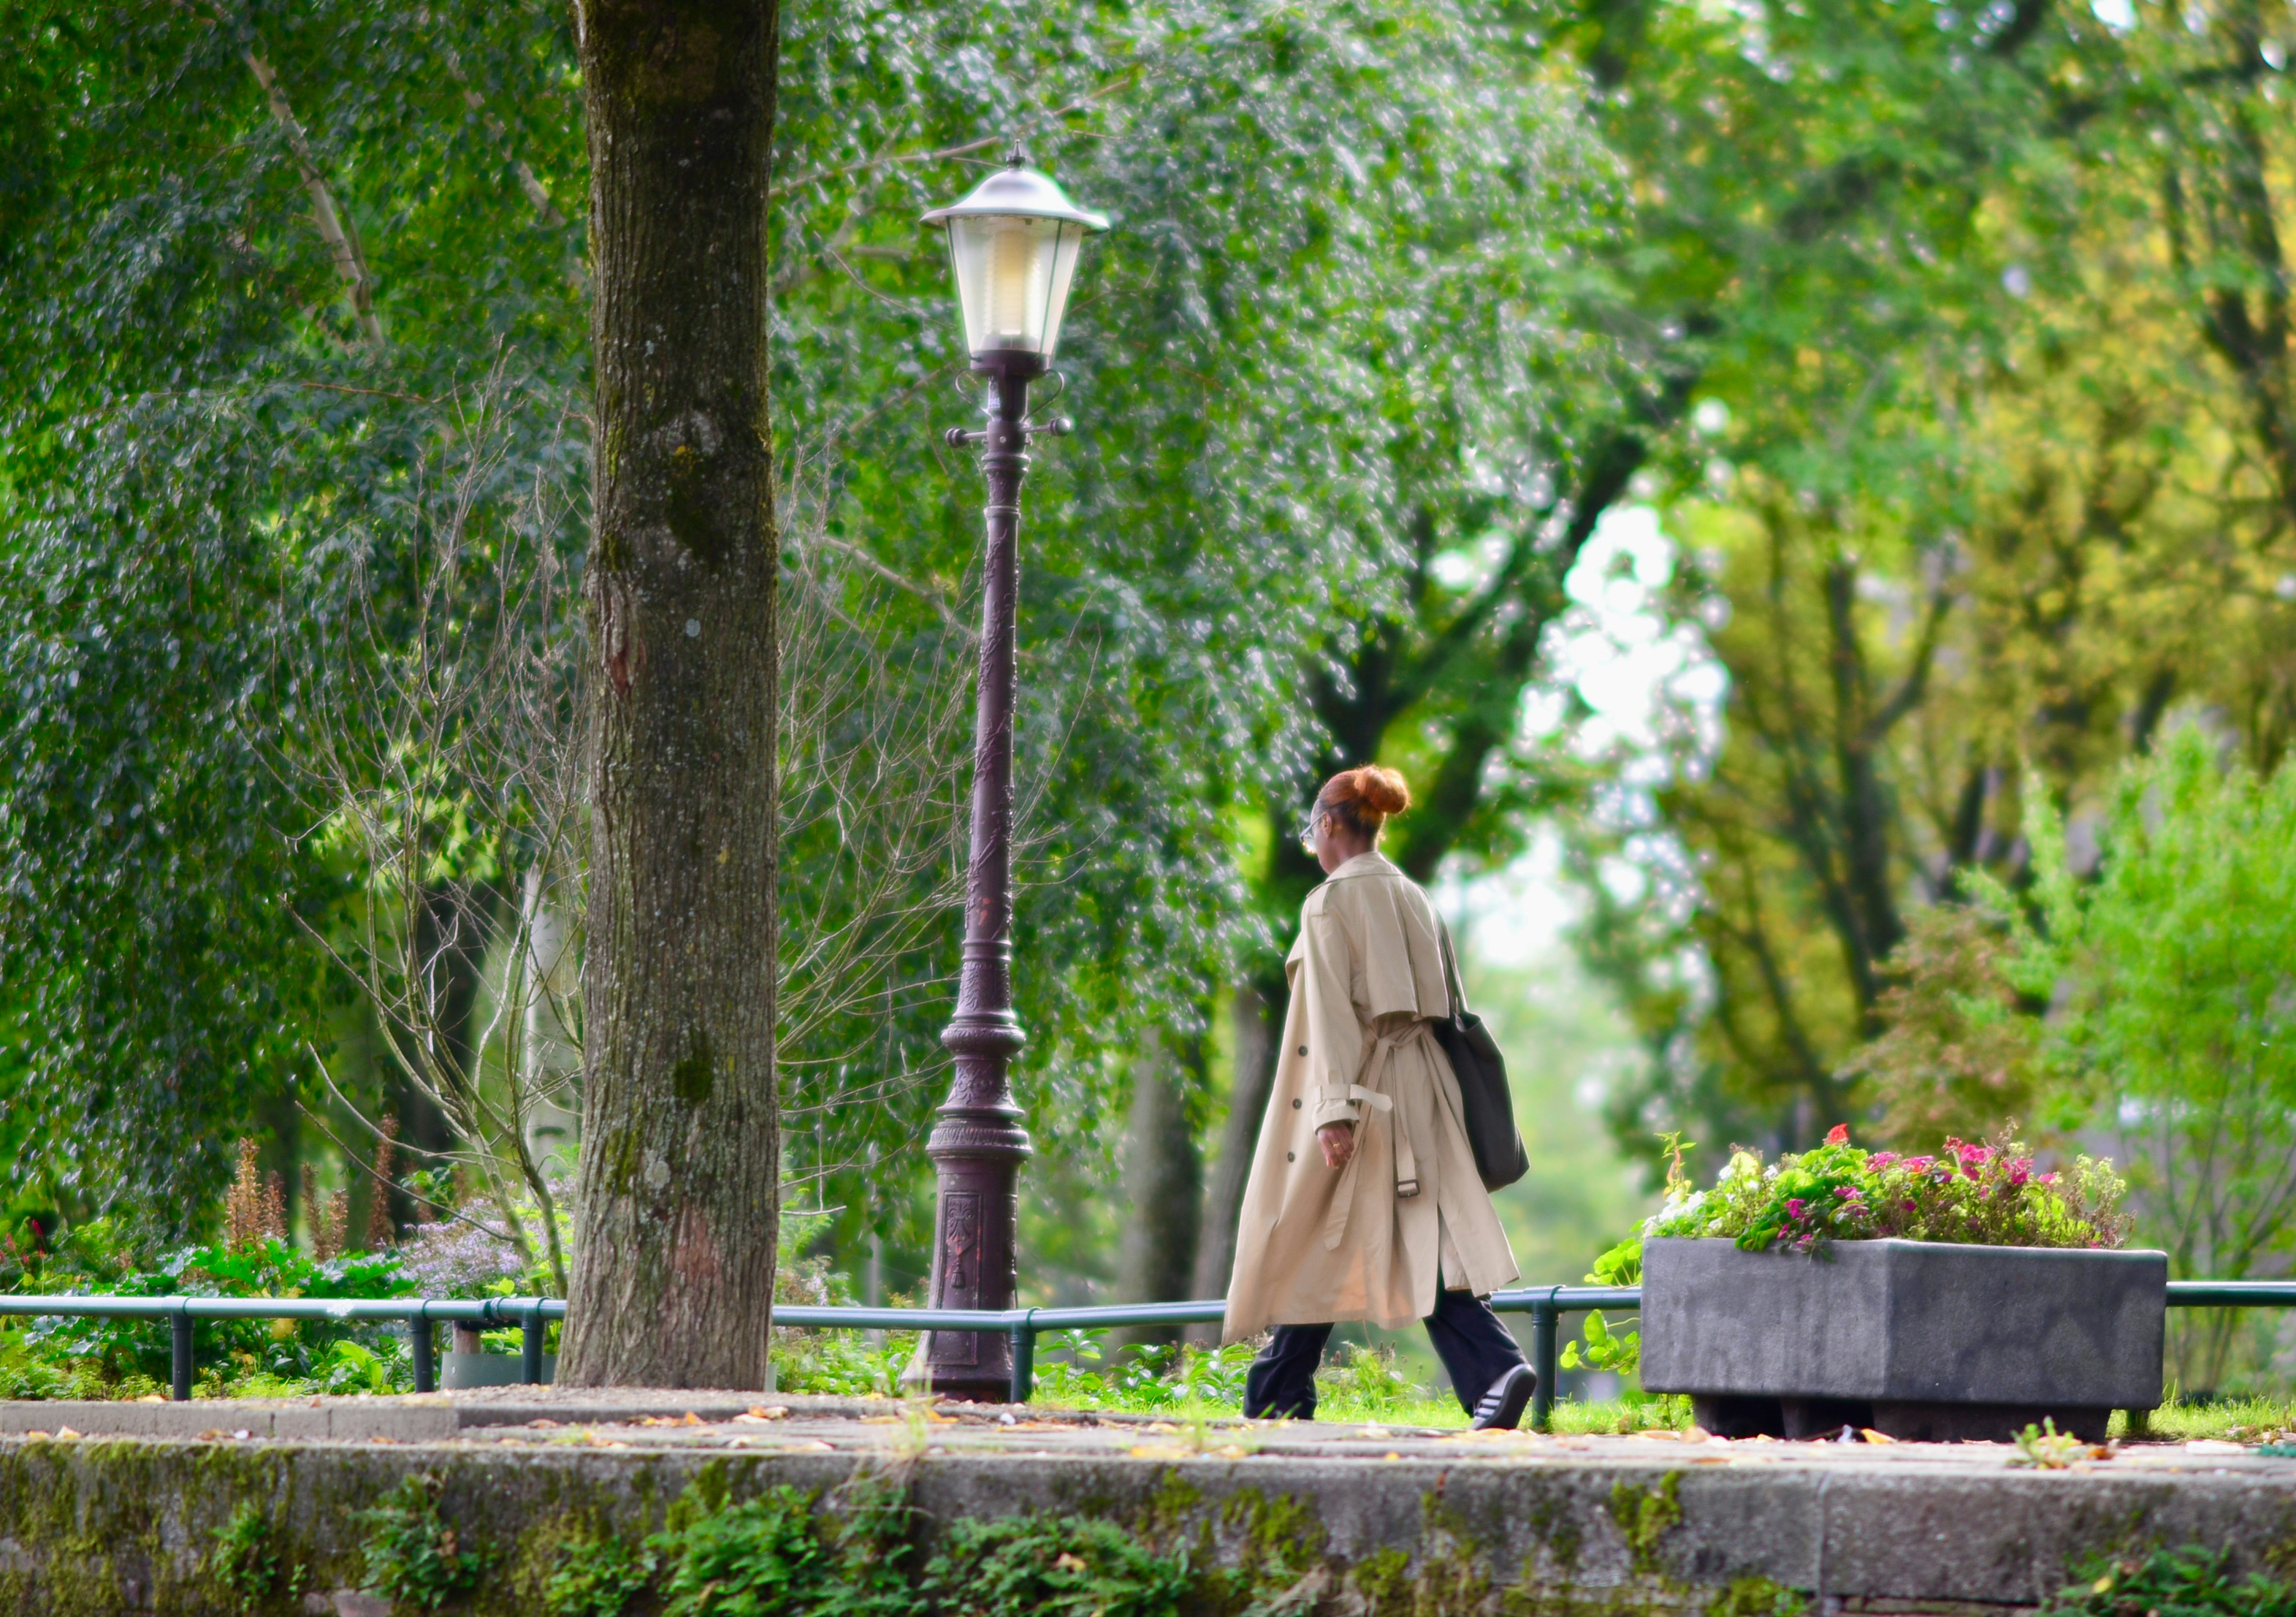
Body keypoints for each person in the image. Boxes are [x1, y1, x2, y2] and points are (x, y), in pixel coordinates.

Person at [1221, 764, 1536, 1429]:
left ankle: (1488, 1368)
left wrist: (1333, 1109)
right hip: (1425, 1083)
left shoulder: (1329, 901)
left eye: (1311, 831)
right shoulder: (1416, 895)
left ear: (1329, 824)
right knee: (1389, 1234)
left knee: (1312, 1230)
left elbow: (1332, 1012)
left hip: (1362, 1087)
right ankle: (1282, 1390)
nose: (1312, 843)